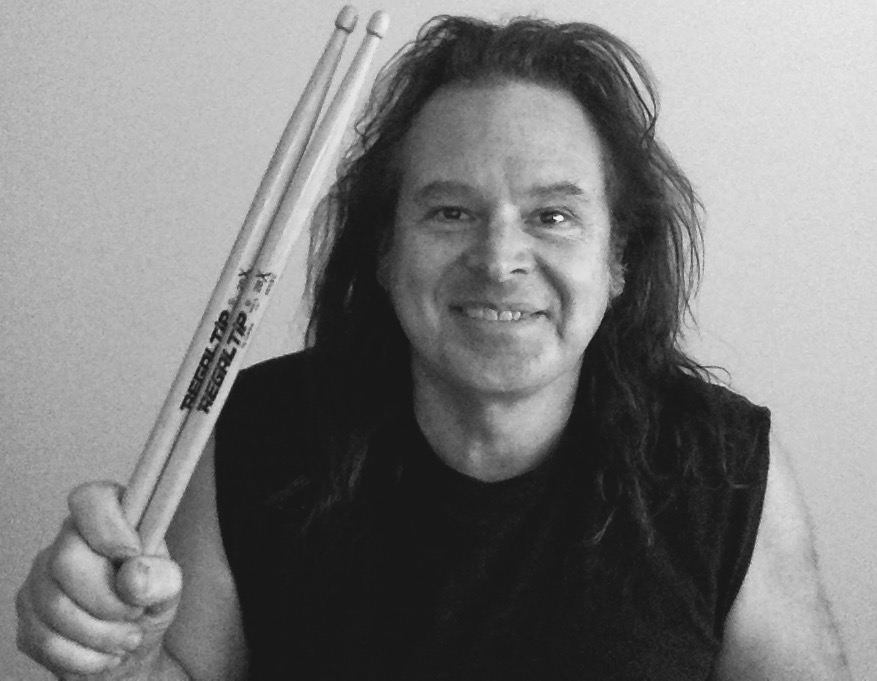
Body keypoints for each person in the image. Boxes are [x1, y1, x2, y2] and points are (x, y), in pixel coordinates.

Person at [16, 14, 851, 681]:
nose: (498, 258)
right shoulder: (262, 433)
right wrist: (120, 660)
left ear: (619, 261)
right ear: (384, 251)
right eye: (450, 211)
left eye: (552, 215)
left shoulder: (721, 466)